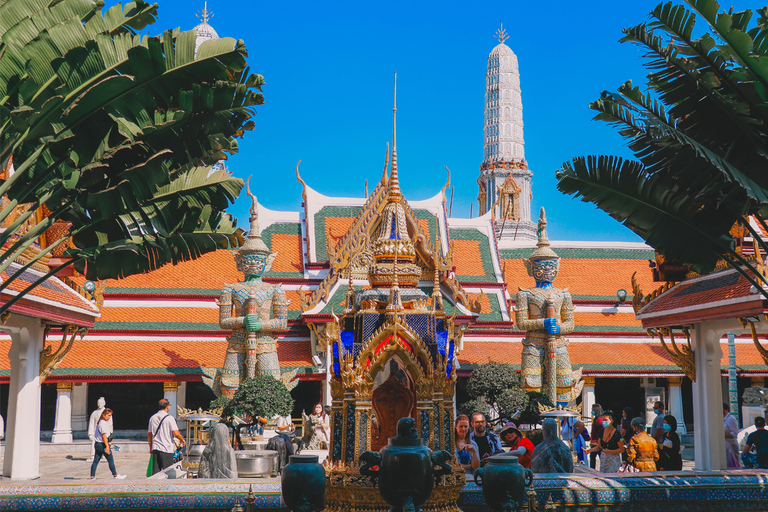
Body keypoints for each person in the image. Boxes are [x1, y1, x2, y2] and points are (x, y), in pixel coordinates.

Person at [148, 398, 186, 475]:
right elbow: (176, 433)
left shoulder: (152, 418)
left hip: (156, 448)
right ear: (167, 407)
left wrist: (150, 447)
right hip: (166, 448)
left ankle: (156, 486)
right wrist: (182, 440)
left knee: (156, 473)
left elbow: (149, 435)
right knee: (168, 472)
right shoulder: (170, 418)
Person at [90, 408, 125, 479]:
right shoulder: (102, 424)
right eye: (108, 415)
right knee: (110, 460)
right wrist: (107, 446)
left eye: (110, 415)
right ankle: (115, 475)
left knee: (96, 460)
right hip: (101, 444)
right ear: (104, 414)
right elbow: (104, 436)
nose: (109, 417)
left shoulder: (100, 422)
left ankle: (92, 476)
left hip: (97, 444)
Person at [723, 402, 740, 468]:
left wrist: (722, 436)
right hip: (724, 444)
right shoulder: (721, 419)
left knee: (733, 464)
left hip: (731, 444)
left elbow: (734, 433)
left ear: (726, 410)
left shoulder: (731, 419)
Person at [589, 404, 604, 470]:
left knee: (596, 456)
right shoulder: (597, 419)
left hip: (597, 442)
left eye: (593, 410)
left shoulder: (600, 420)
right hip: (595, 441)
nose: (592, 411)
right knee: (593, 456)